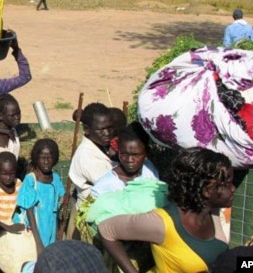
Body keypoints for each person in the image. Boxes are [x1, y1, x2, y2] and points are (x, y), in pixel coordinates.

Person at [98, 148, 235, 273]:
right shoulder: (162, 223)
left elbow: (227, 263)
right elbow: (106, 229)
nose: (233, 189)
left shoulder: (213, 212)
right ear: (207, 191)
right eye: (228, 184)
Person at [67, 102, 116, 239]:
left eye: (110, 128)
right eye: (101, 130)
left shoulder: (103, 147)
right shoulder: (86, 155)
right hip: (89, 220)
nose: (107, 133)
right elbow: (112, 186)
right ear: (87, 129)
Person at [16, 139, 65, 253]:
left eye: (50, 157)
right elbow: (29, 212)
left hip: (51, 228)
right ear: (35, 158)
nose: (46, 161)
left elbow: (59, 202)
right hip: (35, 231)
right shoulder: (31, 180)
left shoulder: (56, 178)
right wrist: (38, 243)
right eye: (42, 157)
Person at [90, 126, 159, 198]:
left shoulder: (149, 169)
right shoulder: (104, 186)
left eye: (136, 155)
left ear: (146, 153)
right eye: (124, 154)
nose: (129, 160)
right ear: (118, 151)